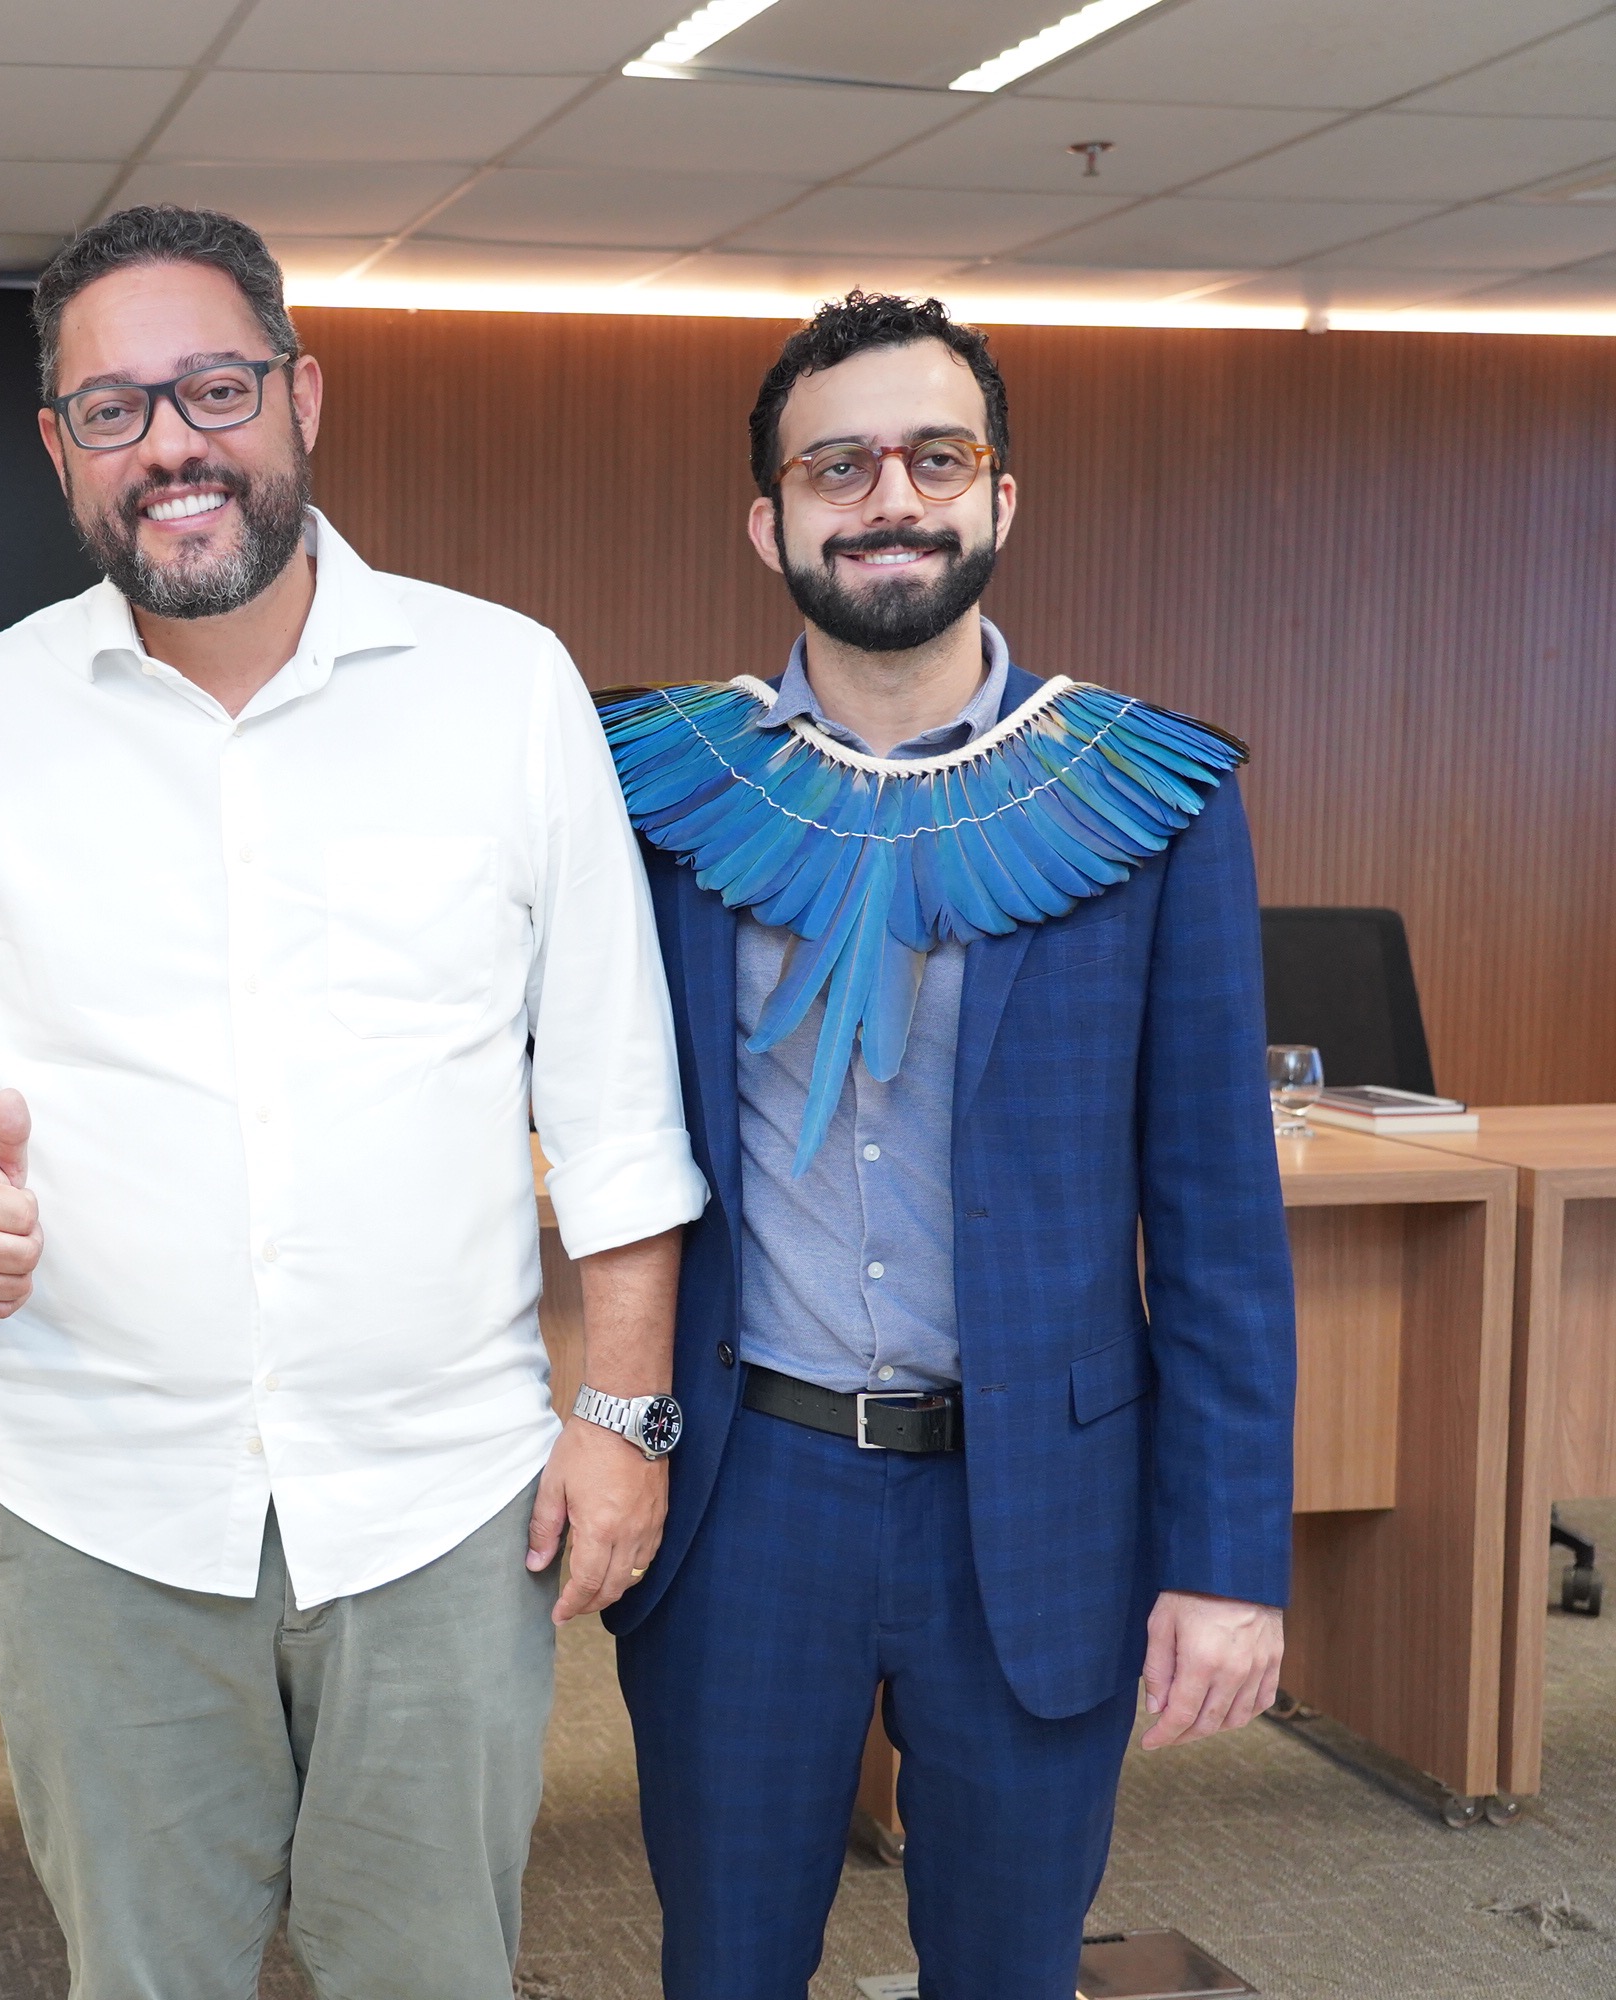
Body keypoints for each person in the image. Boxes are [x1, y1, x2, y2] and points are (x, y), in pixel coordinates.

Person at [0, 204, 709, 2000]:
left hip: (439, 1502)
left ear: (301, 395)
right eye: (115, 411)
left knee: (432, 1972)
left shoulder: (502, 685)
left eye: (212, 389)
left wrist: (626, 1417)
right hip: (95, 1502)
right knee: (149, 1976)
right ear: (61, 447)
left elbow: (616, 1090)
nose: (173, 446)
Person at [597, 292, 1296, 1998]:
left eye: (936, 456)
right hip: (748, 1494)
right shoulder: (659, 792)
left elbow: (1218, 1219)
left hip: (1043, 1502)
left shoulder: (1148, 799)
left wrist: (1227, 1565)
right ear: (769, 519)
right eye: (837, 466)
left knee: (1009, 1970)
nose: (889, 497)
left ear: (1001, 498)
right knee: (724, 1966)